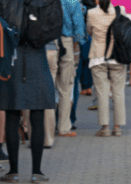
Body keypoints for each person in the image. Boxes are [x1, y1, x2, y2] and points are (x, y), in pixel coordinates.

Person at [0, 0, 56, 183]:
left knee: (12, 115)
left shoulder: (5, 2)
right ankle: (37, 172)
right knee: (37, 115)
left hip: (12, 59)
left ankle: (13, 171)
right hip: (37, 57)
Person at [87, 0, 128, 136]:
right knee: (118, 91)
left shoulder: (91, 12)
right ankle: (117, 127)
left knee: (102, 92)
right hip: (117, 55)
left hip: (98, 55)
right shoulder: (120, 10)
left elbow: (89, 31)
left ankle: (104, 127)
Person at [57, 0, 87, 137]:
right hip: (66, 41)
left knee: (48, 85)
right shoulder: (72, 1)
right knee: (66, 85)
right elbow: (78, 25)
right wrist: (79, 42)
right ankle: (63, 127)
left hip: (46, 42)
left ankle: (46, 126)